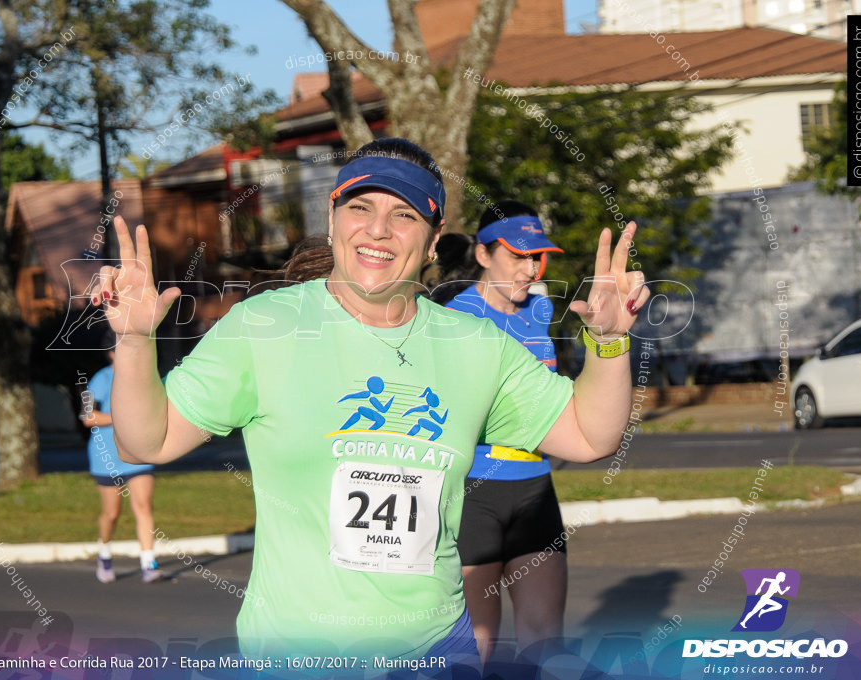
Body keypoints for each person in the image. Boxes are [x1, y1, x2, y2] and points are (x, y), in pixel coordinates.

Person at [92, 138, 649, 667]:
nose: (378, 230)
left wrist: (608, 342)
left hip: (436, 653)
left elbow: (589, 434)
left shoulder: (477, 348)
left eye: (405, 214)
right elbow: (147, 440)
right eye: (361, 207)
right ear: (332, 220)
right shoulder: (263, 328)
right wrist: (136, 341)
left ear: (433, 241)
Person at [436, 201, 569, 663]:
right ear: (483, 255)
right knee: (477, 651)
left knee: (546, 646)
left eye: (537, 257)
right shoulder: (455, 318)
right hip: (474, 493)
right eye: (518, 256)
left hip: (535, 488)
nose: (530, 268)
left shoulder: (541, 308)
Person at [81, 338, 162, 584]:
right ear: (112, 353)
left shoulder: (143, 376)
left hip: (138, 454)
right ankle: (104, 554)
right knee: (111, 513)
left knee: (143, 506)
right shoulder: (99, 379)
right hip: (105, 456)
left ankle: (149, 562)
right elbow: (87, 417)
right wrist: (122, 417)